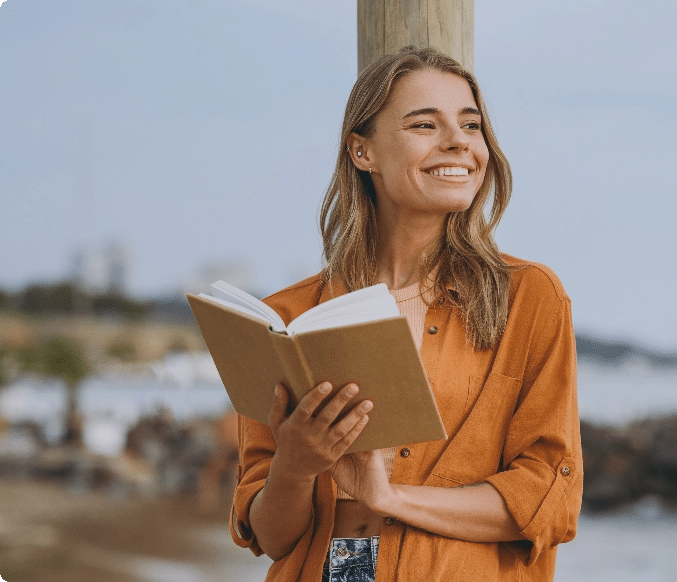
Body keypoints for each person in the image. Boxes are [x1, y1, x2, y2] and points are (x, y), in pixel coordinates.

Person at [229, 46, 582, 582]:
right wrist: (294, 469)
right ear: (362, 151)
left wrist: (389, 497)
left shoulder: (530, 298)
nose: (459, 142)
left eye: (471, 124)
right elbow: (272, 538)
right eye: (425, 124)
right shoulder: (288, 318)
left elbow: (549, 499)